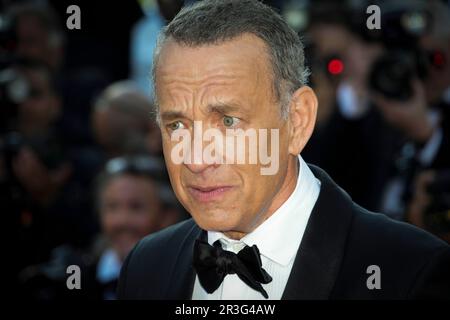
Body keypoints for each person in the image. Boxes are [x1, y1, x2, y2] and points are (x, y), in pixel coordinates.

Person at [117, 0, 450, 300]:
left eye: (229, 122)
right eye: (177, 125)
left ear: (298, 120)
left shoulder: (411, 273)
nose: (196, 159)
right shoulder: (146, 266)